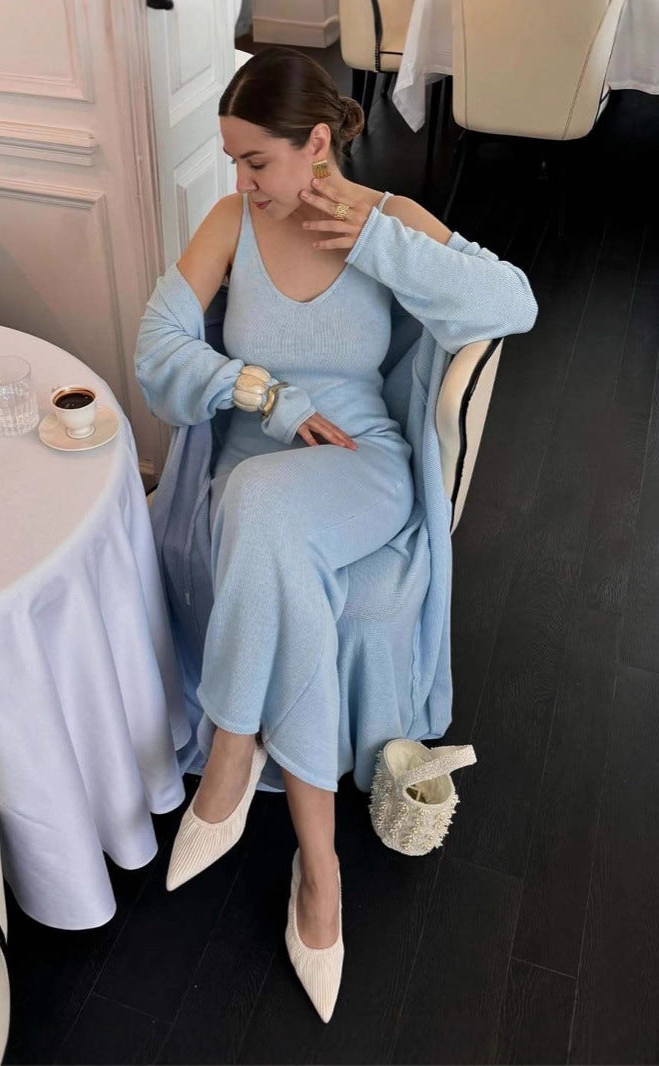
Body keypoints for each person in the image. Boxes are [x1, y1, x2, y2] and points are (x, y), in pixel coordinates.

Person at [135, 46, 537, 1023]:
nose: (242, 180)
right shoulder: (230, 223)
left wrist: (376, 242)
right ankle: (319, 873)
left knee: (263, 515)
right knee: (258, 507)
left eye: (256, 160)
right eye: (233, 161)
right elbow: (156, 352)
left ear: (316, 142)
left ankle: (233, 750)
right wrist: (262, 395)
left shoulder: (389, 221)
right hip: (253, 460)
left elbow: (513, 303)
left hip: (363, 464)